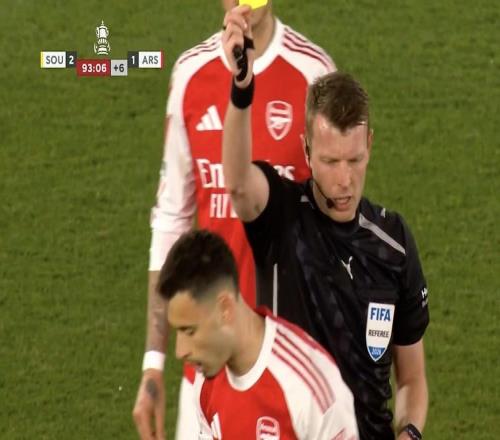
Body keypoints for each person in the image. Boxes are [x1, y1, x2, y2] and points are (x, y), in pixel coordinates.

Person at [221, 6, 430, 440]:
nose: (344, 179)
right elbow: (238, 183)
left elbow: (411, 378)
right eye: (330, 161)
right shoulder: (280, 215)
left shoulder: (393, 244)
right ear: (306, 150)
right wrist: (242, 90)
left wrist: (410, 433)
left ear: (370, 145)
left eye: (355, 160)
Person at [132, 1, 335, 438]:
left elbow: (337, 221)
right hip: (205, 373)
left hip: (288, 373)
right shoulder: (191, 75)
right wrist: (154, 363)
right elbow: (170, 220)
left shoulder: (312, 74)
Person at [158, 229, 359, 440]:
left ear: (225, 309)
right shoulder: (206, 381)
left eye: (189, 331)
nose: (180, 351)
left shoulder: (310, 387)